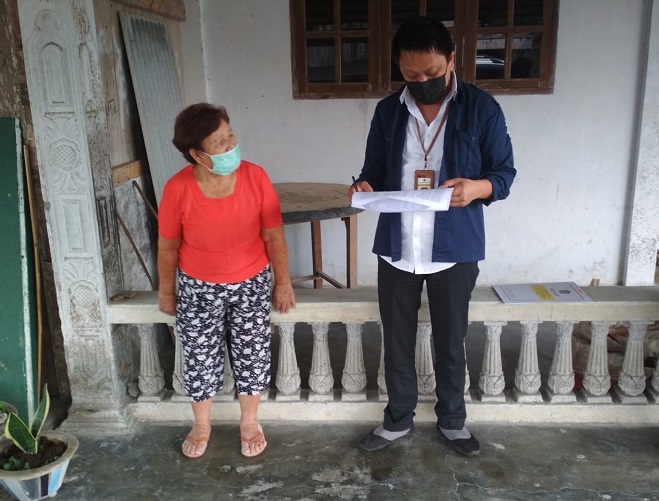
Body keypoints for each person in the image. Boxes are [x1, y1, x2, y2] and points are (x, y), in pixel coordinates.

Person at [349, 17, 515, 456]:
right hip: (398, 247)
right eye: (411, 75)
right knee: (397, 340)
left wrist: (476, 188)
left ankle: (453, 420)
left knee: (450, 341)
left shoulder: (481, 108)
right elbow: (374, 171)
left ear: (452, 60)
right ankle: (397, 419)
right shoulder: (388, 111)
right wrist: (364, 186)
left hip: (454, 247)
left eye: (432, 72)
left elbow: (503, 174)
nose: (422, 82)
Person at [158, 103, 296, 459]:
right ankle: (201, 425)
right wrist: (166, 291)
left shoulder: (256, 177)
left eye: (230, 134)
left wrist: (282, 283)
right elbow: (168, 246)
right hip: (197, 288)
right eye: (219, 142)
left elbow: (274, 236)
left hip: (250, 283)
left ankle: (249, 422)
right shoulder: (177, 188)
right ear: (196, 154)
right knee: (199, 357)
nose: (231, 144)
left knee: (252, 354)